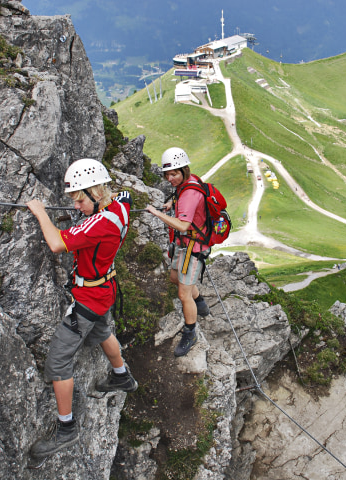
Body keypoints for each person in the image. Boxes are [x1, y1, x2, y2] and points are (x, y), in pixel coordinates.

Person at [26, 158, 137, 460]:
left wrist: (40, 213)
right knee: (102, 330)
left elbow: (56, 244)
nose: (76, 206)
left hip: (89, 298)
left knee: (58, 362)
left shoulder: (99, 224)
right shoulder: (119, 208)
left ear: (97, 193)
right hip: (105, 290)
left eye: (79, 199)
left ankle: (66, 429)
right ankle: (122, 375)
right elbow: (126, 196)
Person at [146, 147, 211, 357]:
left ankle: (190, 333)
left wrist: (157, 213)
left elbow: (182, 225)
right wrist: (170, 203)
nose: (169, 178)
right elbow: (182, 198)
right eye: (167, 174)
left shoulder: (189, 193)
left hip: (193, 247)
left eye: (173, 174)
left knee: (183, 294)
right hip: (186, 245)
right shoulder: (189, 183)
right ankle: (199, 300)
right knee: (175, 278)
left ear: (184, 170)